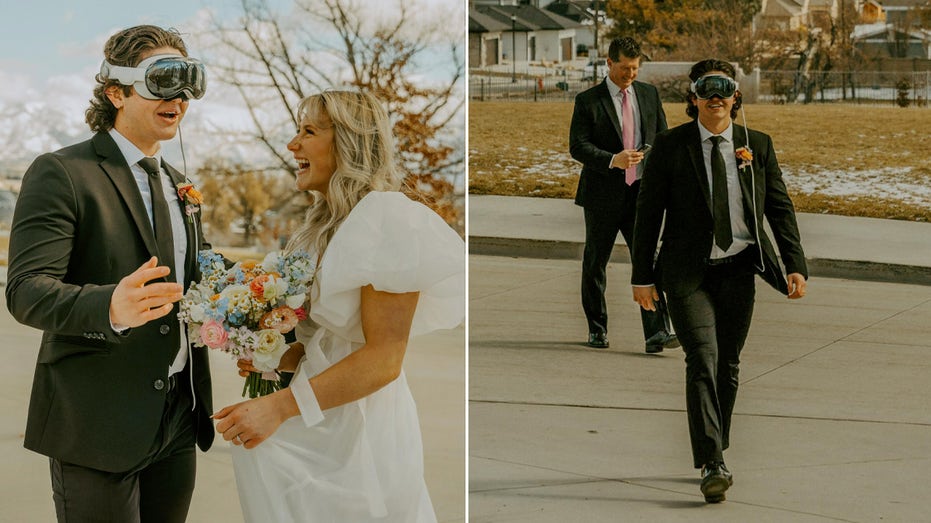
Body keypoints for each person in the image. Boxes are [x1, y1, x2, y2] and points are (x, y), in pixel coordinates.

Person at [212, 90, 464, 522]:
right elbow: (334, 335)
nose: (293, 145)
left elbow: (384, 359)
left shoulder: (388, 219)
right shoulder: (319, 226)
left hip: (357, 424)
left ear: (348, 144)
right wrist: (283, 358)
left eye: (308, 132)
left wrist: (278, 407)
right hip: (313, 410)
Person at [4, 25, 212, 521]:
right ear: (116, 90)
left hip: (178, 418)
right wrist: (109, 306)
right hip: (96, 421)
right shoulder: (63, 172)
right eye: (163, 81)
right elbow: (26, 290)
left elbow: (199, 276)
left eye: (188, 85)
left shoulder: (182, 185)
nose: (179, 98)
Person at [630, 59, 808, 503]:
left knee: (728, 365)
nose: (716, 97)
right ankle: (711, 461)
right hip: (686, 272)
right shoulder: (671, 146)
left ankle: (717, 450)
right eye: (706, 89)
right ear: (693, 98)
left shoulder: (757, 146)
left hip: (739, 268)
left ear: (735, 96)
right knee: (702, 359)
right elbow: (648, 215)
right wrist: (641, 277)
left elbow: (779, 208)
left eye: (724, 89)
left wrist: (794, 263)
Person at [569, 36, 678, 353]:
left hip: (641, 195)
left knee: (646, 261)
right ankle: (597, 329)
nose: (631, 74)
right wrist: (611, 160)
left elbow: (662, 137)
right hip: (602, 195)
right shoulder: (588, 100)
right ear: (609, 63)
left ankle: (657, 331)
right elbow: (578, 146)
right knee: (595, 264)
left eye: (635, 68)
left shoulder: (648, 94)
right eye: (625, 68)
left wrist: (653, 153)